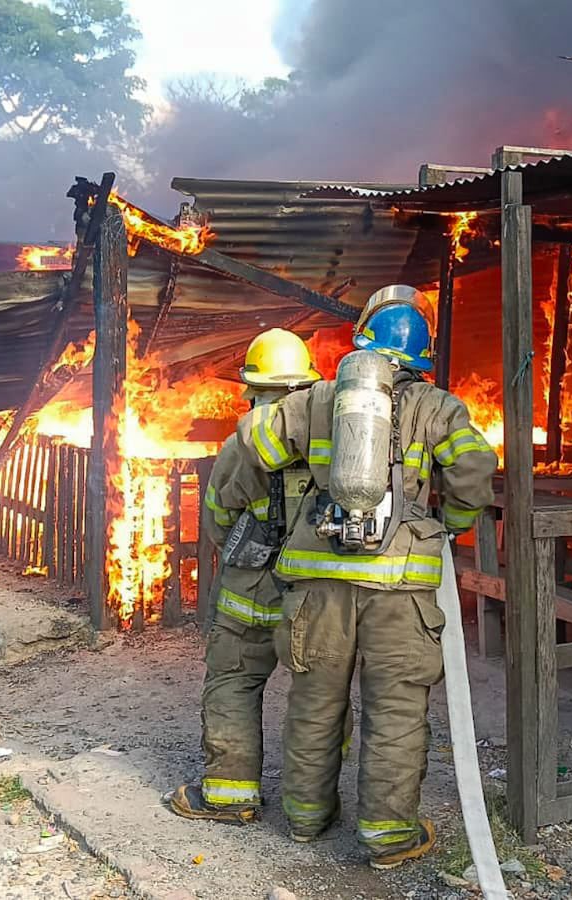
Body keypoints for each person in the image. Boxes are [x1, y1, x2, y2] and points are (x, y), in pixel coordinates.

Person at [209, 286, 498, 869]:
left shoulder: (319, 398)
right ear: (423, 354)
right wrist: (448, 526)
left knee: (315, 703)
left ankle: (305, 819)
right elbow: (473, 473)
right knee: (396, 711)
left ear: (362, 338)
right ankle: (388, 837)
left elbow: (254, 442)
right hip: (401, 590)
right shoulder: (440, 408)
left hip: (317, 586)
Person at [165, 328, 322, 825]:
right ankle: (314, 807)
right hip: (318, 591)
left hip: (253, 591)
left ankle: (231, 796)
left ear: (253, 390)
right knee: (319, 695)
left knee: (234, 681)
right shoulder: (333, 442)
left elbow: (217, 520)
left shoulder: (241, 447)